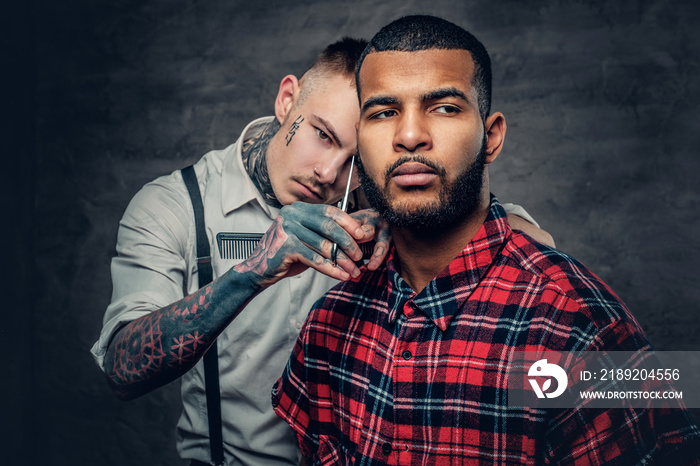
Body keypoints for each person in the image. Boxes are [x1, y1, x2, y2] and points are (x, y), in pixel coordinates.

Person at [91, 36, 551, 466]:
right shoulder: (175, 206)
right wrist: (251, 272)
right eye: (324, 135)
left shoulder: (373, 193)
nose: (330, 173)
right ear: (287, 99)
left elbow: (522, 239)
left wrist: (399, 223)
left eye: (355, 158)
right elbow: (122, 370)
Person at [272, 16, 700, 465]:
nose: (410, 135)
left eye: (444, 107)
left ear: (491, 137)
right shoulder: (329, 325)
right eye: (383, 113)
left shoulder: (580, 329)